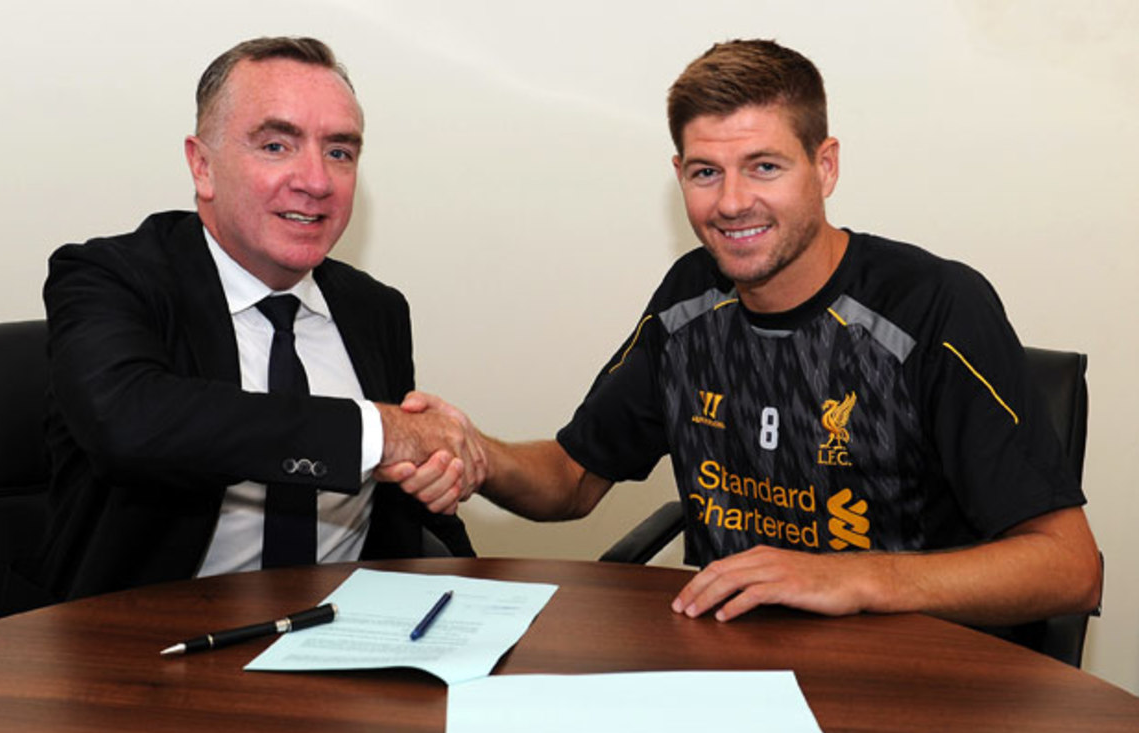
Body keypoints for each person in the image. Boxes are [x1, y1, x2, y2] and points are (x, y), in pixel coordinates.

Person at [390, 39, 1101, 630]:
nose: (731, 203)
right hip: (729, 666)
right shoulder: (689, 298)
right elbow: (572, 480)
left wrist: (852, 578)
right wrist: (476, 452)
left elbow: (1071, 569)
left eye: (764, 166)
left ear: (824, 167)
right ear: (679, 176)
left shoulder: (935, 306)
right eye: (706, 172)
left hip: (911, 672)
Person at [6, 37, 483, 610]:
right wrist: (377, 434)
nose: (316, 180)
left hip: (344, 639)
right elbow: (127, 423)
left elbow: (407, 509)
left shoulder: (376, 310)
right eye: (277, 145)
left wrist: (434, 481)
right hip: (146, 646)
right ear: (202, 166)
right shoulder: (109, 277)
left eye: (340, 152)